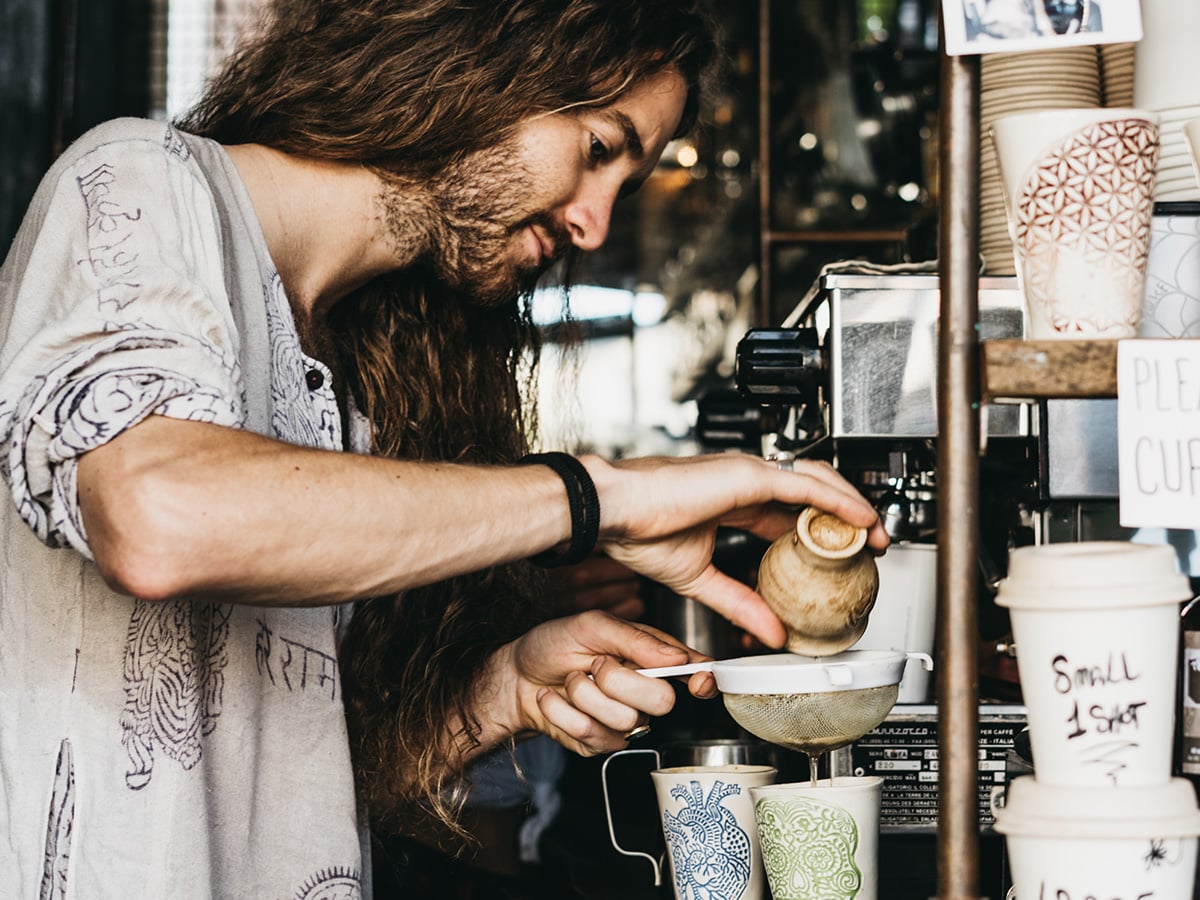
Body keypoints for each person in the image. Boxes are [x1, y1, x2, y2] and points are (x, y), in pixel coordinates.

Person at [0, 1, 888, 898]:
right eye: (597, 149)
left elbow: (279, 788)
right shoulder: (139, 185)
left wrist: (498, 697)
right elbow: (157, 519)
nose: (595, 226)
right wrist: (597, 499)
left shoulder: (355, 378)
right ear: (482, 56)